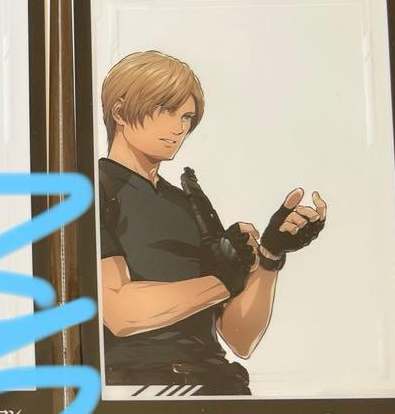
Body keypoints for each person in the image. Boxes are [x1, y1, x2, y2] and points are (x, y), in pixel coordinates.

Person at [97, 50, 327, 395]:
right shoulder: (94, 189)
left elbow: (239, 338)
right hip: (139, 385)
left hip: (217, 384)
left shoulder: (189, 203)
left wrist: (269, 257)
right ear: (119, 112)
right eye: (166, 110)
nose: (179, 128)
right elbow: (118, 312)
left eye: (187, 117)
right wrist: (222, 280)